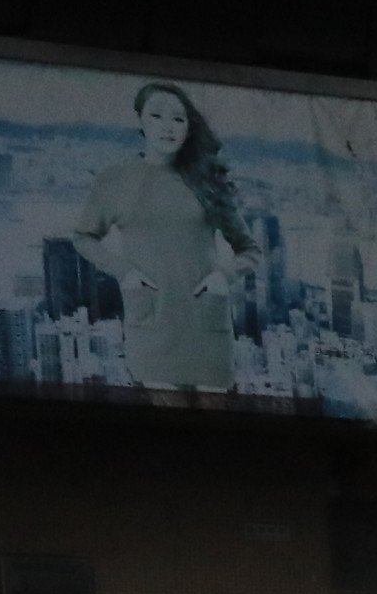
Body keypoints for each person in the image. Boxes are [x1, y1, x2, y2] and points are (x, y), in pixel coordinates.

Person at [71, 81, 253, 393]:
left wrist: (224, 277)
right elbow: (83, 237)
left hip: (206, 329)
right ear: (140, 121)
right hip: (150, 329)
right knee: (168, 432)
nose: (168, 127)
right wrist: (124, 272)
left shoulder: (205, 179)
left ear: (188, 128)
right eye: (157, 116)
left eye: (179, 119)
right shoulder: (116, 179)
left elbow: (249, 249)